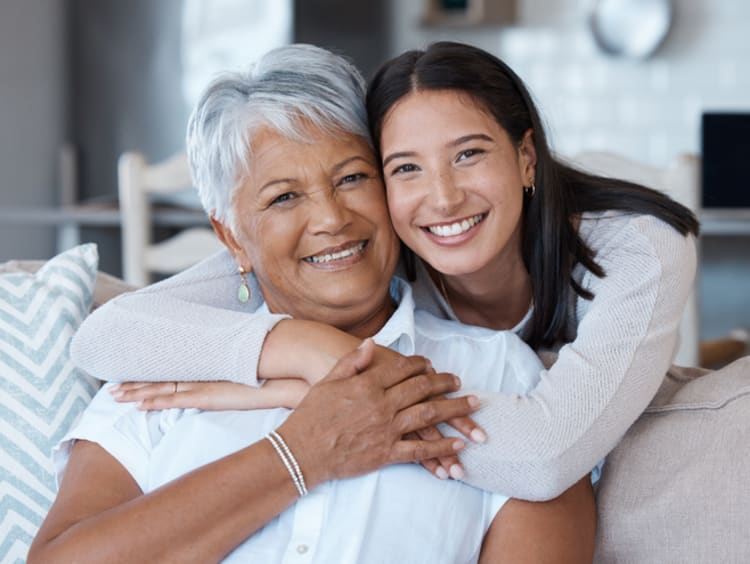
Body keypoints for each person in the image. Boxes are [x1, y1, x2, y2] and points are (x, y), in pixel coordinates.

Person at [30, 44, 595, 563]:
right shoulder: (162, 383)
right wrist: (301, 453)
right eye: (284, 197)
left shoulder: (499, 377)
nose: (330, 219)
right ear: (231, 238)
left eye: (352, 178)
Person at [70, 40, 699, 501]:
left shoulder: (637, 249)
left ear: (526, 157)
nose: (444, 199)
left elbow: (543, 456)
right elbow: (106, 334)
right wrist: (305, 346)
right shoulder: (370, 246)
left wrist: (318, 389)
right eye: (405, 168)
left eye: (469, 155)